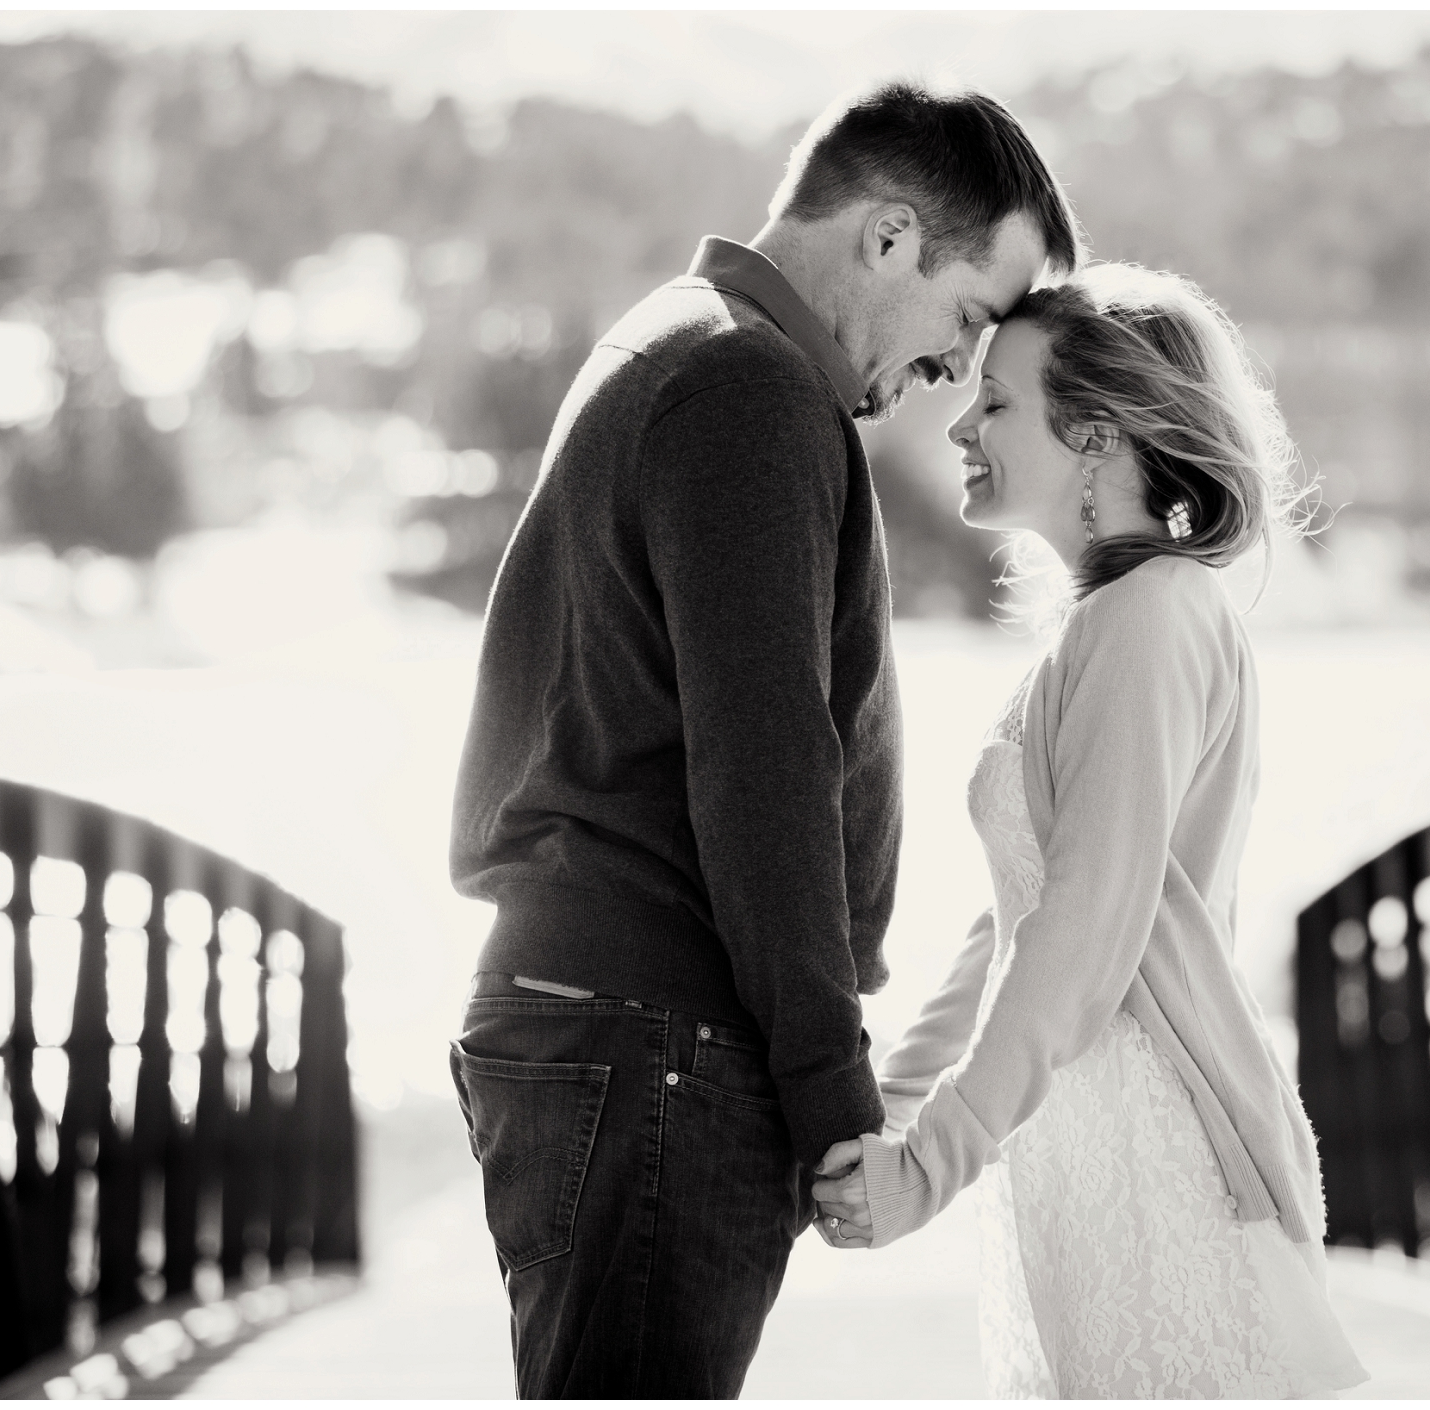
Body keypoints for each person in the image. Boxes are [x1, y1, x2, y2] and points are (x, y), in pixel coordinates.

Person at [445, 80, 1081, 1398]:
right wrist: (833, 1101)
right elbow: (766, 768)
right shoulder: (749, 389)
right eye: (969, 319)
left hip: (610, 1030)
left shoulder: (682, 344)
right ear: (890, 235)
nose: (955, 376)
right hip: (654, 1040)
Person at [811, 264, 1370, 1398]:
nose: (959, 423)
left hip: (1154, 1161)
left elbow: (1085, 922)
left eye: (998, 403)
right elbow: (1013, 922)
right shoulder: (1106, 626)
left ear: (1100, 437)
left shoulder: (1153, 615)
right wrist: (899, 1107)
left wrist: (930, 1168)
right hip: (1077, 1149)